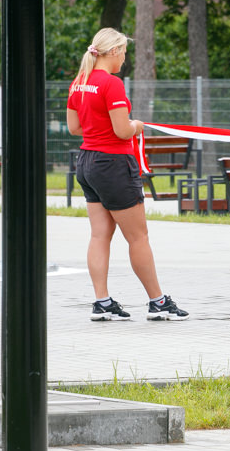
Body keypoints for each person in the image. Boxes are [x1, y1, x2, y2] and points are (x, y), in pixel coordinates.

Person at [67, 27, 189, 320]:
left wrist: (102, 129)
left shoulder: (78, 82)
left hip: (86, 162)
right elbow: (123, 130)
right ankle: (158, 302)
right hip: (113, 165)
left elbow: (74, 128)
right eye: (124, 52)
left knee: (99, 235)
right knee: (138, 237)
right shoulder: (111, 84)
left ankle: (102, 302)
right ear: (114, 52)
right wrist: (137, 125)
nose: (125, 58)